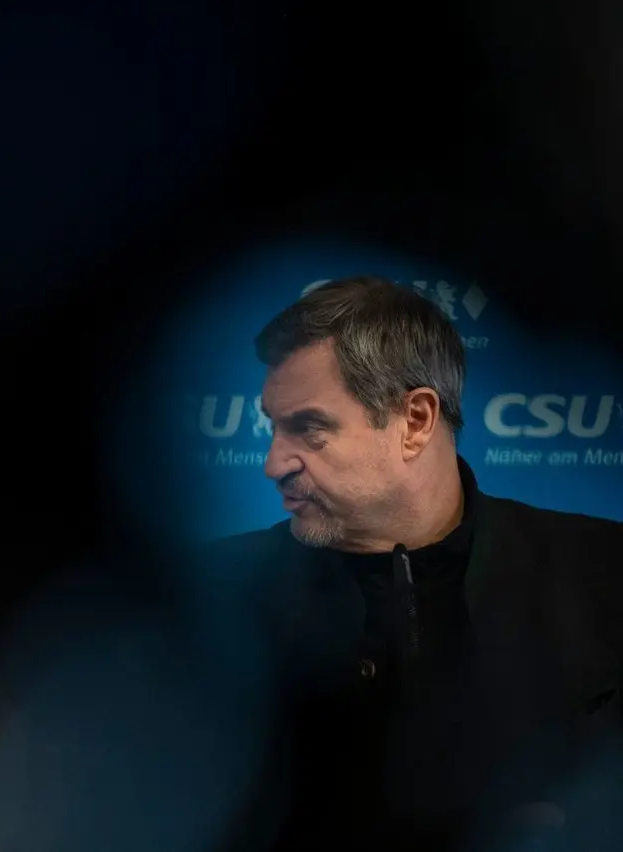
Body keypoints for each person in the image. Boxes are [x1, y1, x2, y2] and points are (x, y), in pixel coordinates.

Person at [211, 276, 623, 852]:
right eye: (273, 428)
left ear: (417, 421)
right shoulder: (211, 593)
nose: (274, 463)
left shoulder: (605, 571)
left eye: (308, 428)